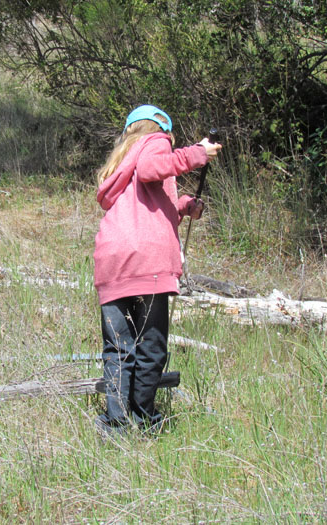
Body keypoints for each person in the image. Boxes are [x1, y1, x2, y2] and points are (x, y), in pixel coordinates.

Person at [93, 104, 221, 435]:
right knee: (151, 347)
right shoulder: (155, 142)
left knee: (118, 349)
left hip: (112, 261)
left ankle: (116, 425)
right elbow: (153, 169)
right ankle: (144, 421)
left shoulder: (121, 162)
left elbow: (143, 209)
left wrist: (182, 207)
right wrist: (197, 153)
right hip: (147, 261)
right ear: (159, 128)